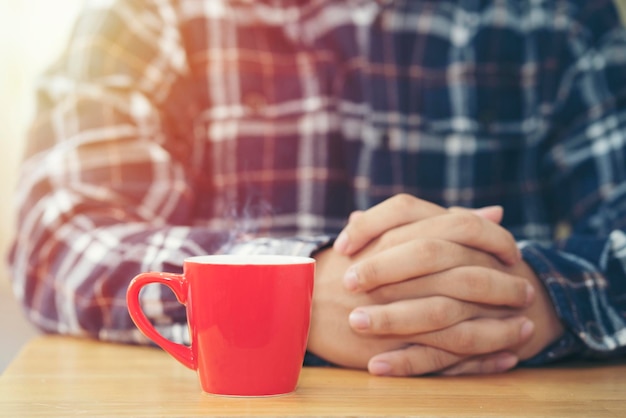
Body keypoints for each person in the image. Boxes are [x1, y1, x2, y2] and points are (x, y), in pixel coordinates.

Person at [8, 0, 626, 377]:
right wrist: (290, 293)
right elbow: (58, 232)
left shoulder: (564, 18)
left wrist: (530, 295)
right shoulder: (153, 12)